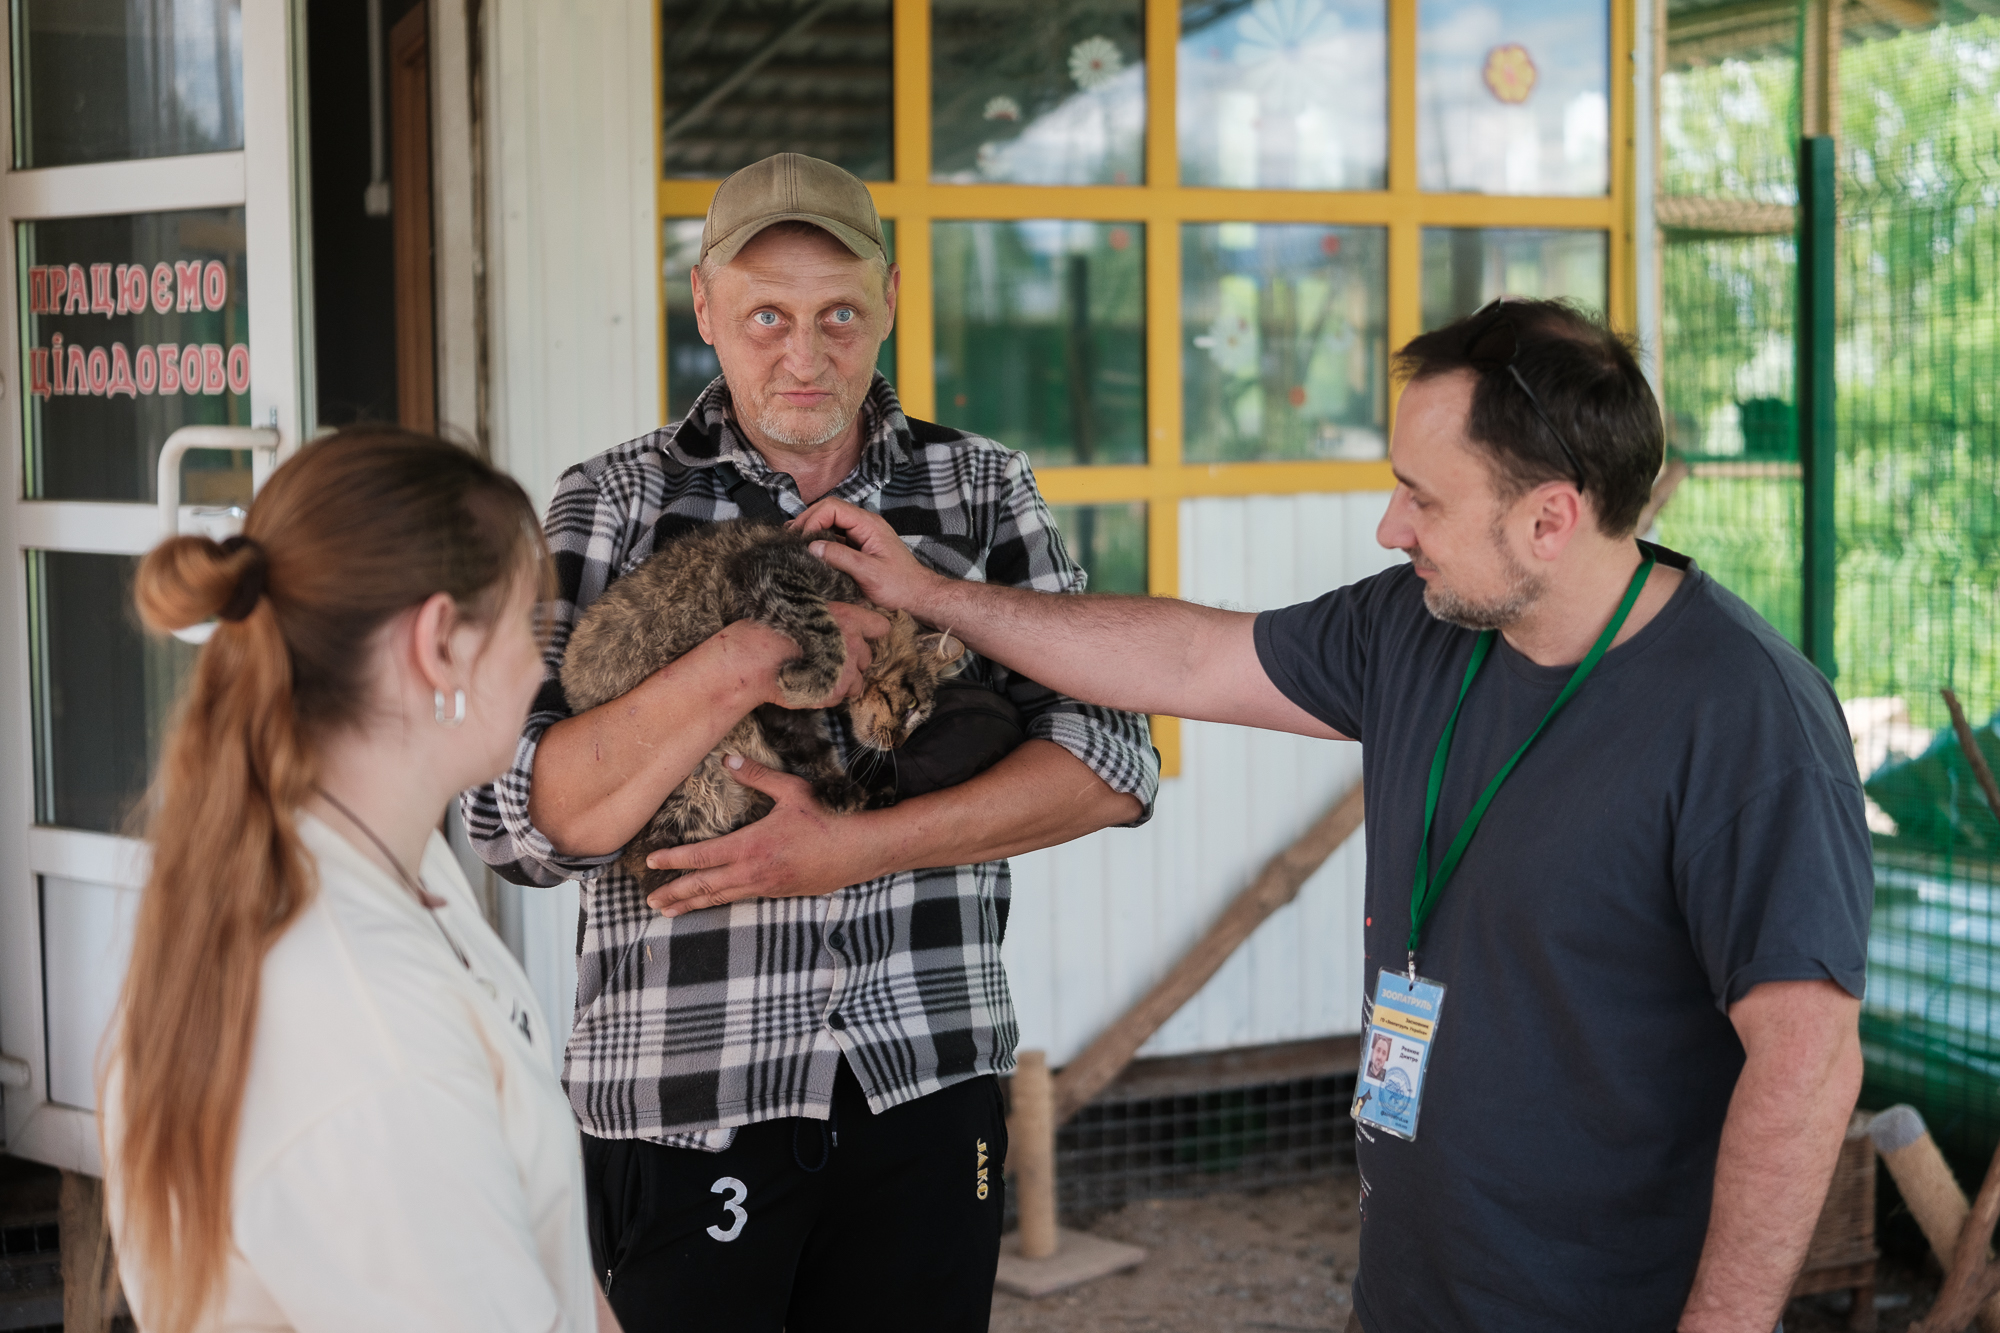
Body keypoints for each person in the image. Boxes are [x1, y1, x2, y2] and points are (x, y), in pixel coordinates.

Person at [797, 298, 1872, 1333]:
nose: (1389, 526)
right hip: (1408, 1298)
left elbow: (1806, 1064)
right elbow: (1188, 657)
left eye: (1422, 498)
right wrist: (933, 595)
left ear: (1550, 518)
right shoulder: (1415, 627)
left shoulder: (1746, 720)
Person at [461, 152, 1157, 1333]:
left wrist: (856, 848)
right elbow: (511, 822)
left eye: (838, 314)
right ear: (703, 308)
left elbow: (1112, 765)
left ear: (889, 300)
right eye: (765, 317)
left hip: (924, 1077)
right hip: (684, 1097)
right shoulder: (610, 501)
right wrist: (743, 659)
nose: (804, 354)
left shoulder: (981, 491)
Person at [103, 430, 619, 1333]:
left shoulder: (385, 858)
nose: (544, 665)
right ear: (440, 643)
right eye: (529, 626)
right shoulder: (369, 1030)